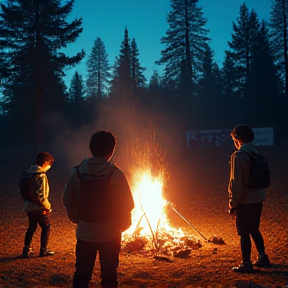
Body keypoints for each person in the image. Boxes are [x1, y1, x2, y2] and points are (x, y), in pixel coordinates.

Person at [63, 130, 135, 288]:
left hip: (84, 234)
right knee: (109, 277)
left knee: (81, 276)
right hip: (110, 235)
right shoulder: (115, 174)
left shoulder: (77, 171)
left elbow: (67, 198)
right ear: (111, 151)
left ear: (90, 147)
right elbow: (127, 204)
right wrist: (122, 226)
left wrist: (77, 219)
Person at [228, 124, 270, 273]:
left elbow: (236, 183)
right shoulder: (257, 153)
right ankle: (262, 256)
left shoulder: (239, 156)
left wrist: (233, 204)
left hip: (244, 200)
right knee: (254, 229)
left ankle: (246, 263)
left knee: (244, 232)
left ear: (238, 139)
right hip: (258, 198)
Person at [22, 152, 55, 258]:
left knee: (32, 227)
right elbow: (41, 195)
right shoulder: (40, 175)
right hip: (38, 207)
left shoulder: (28, 173)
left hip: (28, 206)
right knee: (46, 226)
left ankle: (26, 249)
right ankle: (43, 250)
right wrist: (47, 206)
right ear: (45, 163)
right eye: (49, 164)